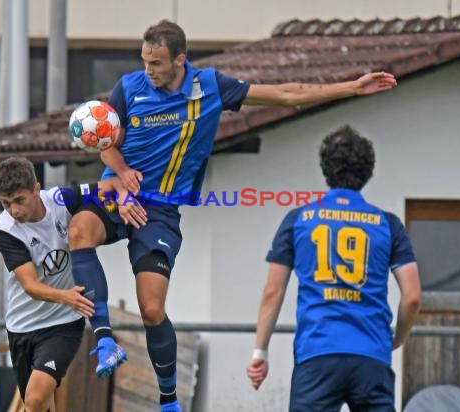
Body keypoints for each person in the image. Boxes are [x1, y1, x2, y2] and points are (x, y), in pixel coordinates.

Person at [72, 19, 398, 412]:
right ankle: (105, 339)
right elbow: (105, 141)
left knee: (153, 308)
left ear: (180, 60)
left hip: (159, 209)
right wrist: (122, 175)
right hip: (118, 193)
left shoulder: (209, 87)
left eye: (156, 63)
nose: (148, 71)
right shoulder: (129, 88)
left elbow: (285, 94)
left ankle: (169, 401)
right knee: (79, 230)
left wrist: (349, 87)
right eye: (144, 61)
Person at [246, 126, 422, 411]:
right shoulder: (388, 225)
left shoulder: (298, 219)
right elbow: (412, 296)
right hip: (371, 355)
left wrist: (260, 351)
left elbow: (273, 291)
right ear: (368, 171)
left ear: (326, 169)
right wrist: (395, 341)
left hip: (317, 352)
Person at [0, 157, 146, 411]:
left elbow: (112, 183)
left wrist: (123, 197)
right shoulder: (5, 229)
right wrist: (66, 296)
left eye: (19, 200)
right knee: (41, 403)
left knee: (35, 398)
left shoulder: (60, 200)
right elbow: (30, 285)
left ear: (36, 189)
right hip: (22, 326)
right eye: (6, 203)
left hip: (62, 324)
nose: (13, 210)